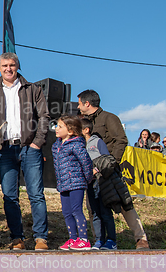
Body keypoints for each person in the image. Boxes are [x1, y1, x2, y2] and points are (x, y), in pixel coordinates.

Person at [0, 52, 49, 251]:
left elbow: (44, 116)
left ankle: (41, 238)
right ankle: (17, 238)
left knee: (36, 194)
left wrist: (38, 142)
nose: (8, 69)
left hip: (29, 148)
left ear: (17, 66)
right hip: (4, 149)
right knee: (9, 196)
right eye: (4, 65)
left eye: (12, 65)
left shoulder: (32, 89)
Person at [77, 89, 150, 249]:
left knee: (124, 203)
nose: (78, 106)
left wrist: (110, 163)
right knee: (93, 207)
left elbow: (121, 140)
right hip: (92, 173)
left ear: (87, 103)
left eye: (79, 103)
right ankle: (99, 241)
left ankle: (141, 238)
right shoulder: (82, 122)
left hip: (109, 171)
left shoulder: (109, 118)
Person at [53, 116, 93, 250]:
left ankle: (83, 239)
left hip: (76, 183)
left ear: (70, 131)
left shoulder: (76, 145)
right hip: (63, 184)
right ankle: (73, 238)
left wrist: (86, 179)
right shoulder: (56, 146)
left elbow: (86, 163)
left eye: (60, 126)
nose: (56, 129)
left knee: (76, 210)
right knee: (66, 212)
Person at [81, 118, 118, 250]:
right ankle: (98, 240)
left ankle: (111, 240)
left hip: (101, 182)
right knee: (94, 212)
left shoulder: (97, 142)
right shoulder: (79, 145)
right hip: (89, 184)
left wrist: (95, 170)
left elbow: (107, 160)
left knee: (105, 212)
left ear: (86, 130)